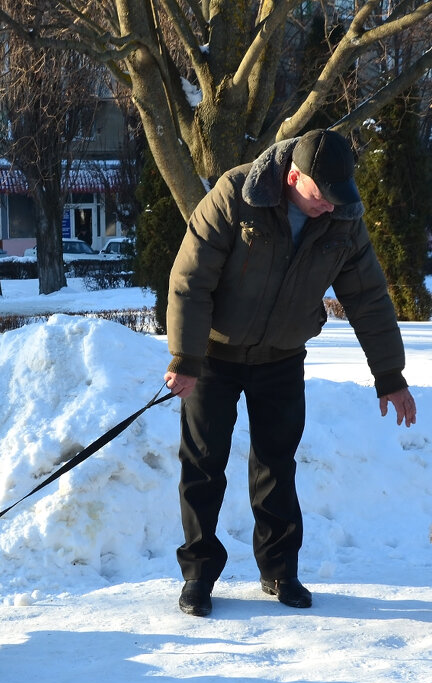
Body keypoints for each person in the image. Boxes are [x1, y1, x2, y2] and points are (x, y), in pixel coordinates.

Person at [162, 128, 417, 617]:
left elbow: (367, 297)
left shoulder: (343, 217)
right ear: (293, 177)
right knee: (203, 464)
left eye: (339, 198)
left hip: (281, 356)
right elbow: (190, 281)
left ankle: (280, 570)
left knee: (276, 465)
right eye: (321, 196)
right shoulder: (235, 196)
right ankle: (198, 575)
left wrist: (390, 376)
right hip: (213, 354)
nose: (330, 207)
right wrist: (187, 359)